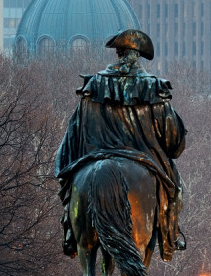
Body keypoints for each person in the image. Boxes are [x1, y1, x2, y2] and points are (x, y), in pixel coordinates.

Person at [55, 29, 186, 260]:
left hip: (94, 157)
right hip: (143, 159)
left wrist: (67, 167)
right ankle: (171, 236)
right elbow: (173, 140)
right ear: (137, 55)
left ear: (119, 54)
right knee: (175, 190)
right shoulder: (154, 88)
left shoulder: (92, 85)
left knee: (73, 186)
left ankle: (70, 230)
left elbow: (73, 133)